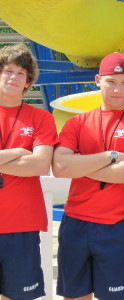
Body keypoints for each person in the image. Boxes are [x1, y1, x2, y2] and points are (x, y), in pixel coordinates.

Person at [52, 52, 124, 300]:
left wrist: (81, 165)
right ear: (98, 80)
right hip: (76, 224)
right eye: (111, 81)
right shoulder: (76, 123)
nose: (117, 90)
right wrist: (111, 156)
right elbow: (60, 168)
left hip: (118, 227)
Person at [0, 44, 58, 300]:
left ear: (28, 81)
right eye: (8, 70)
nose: (14, 77)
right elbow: (29, 161)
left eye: (21, 73)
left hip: (21, 223)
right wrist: (18, 153)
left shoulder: (41, 118)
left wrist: (29, 159)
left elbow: (40, 165)